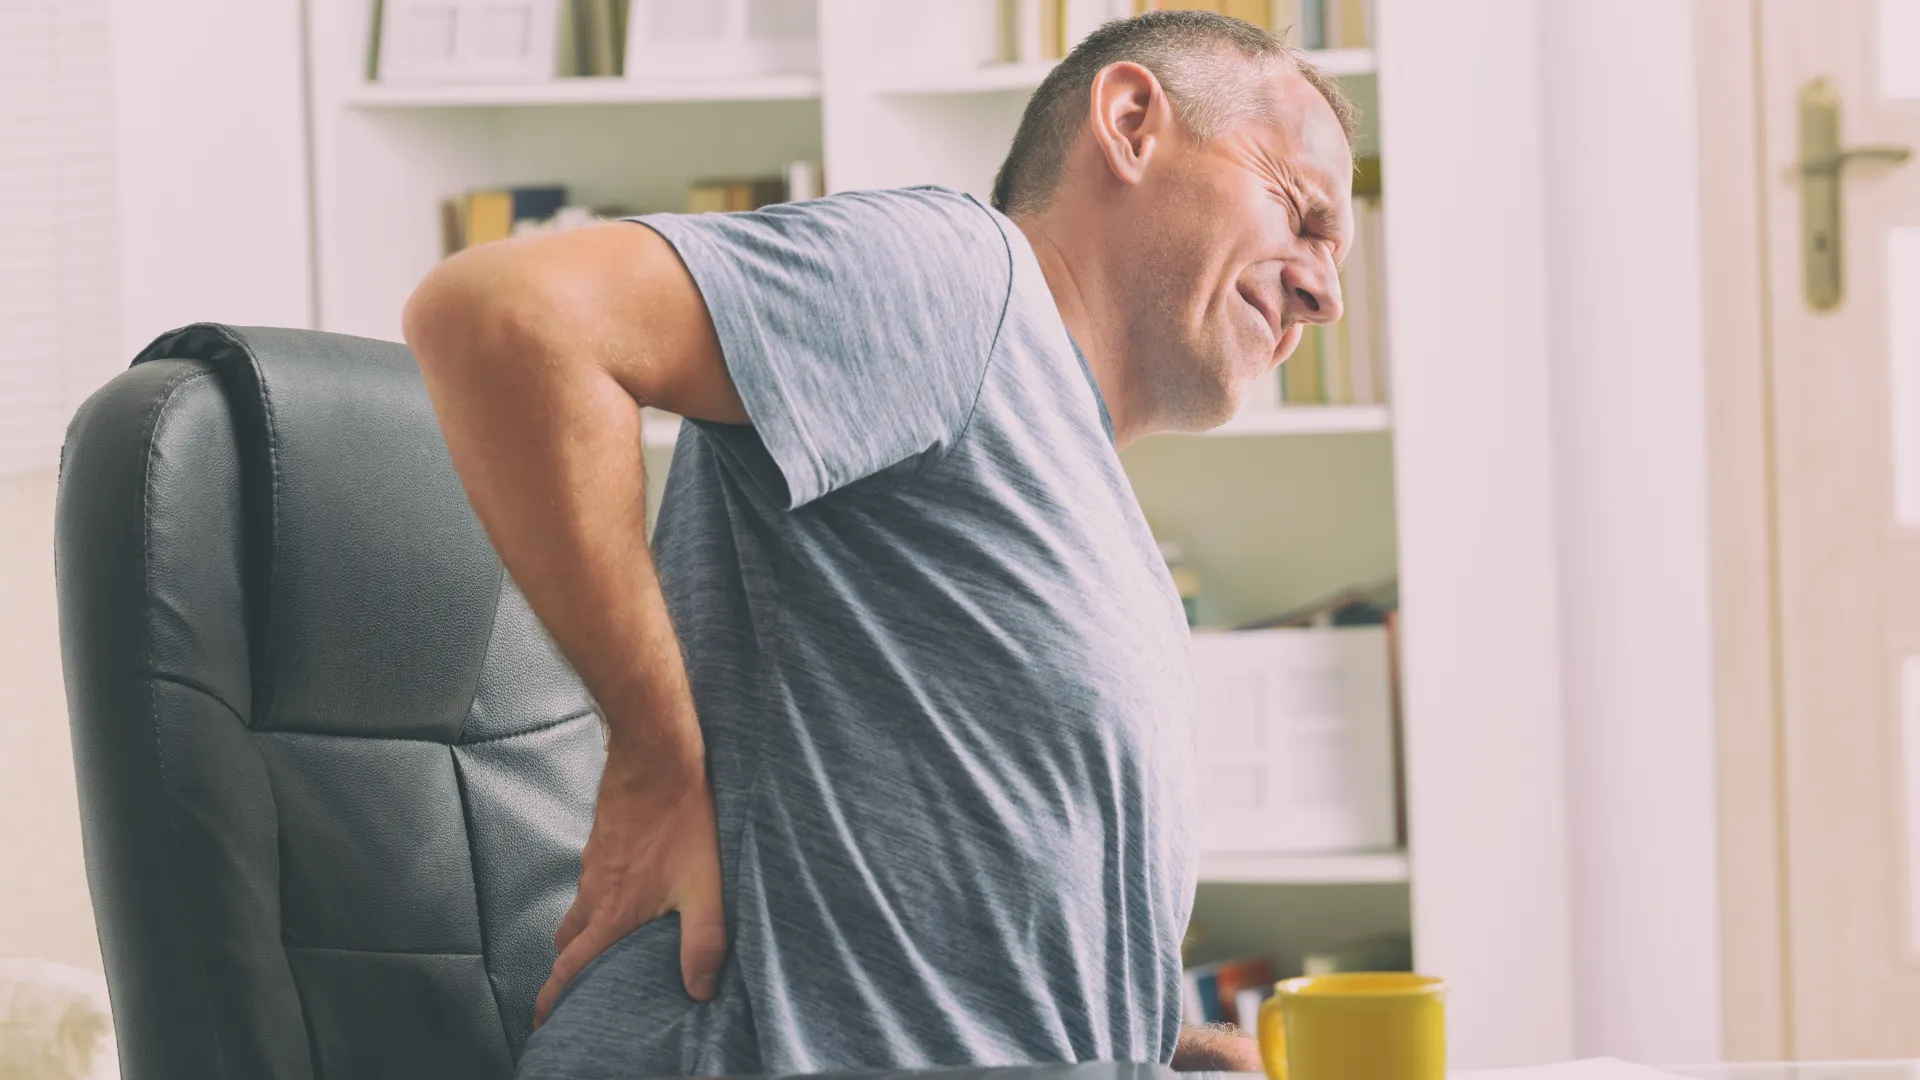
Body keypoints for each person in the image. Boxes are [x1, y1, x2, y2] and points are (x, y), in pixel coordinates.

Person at [402, 10, 1356, 1076]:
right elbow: (502, 314)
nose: (1327, 292)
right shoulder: (964, 282)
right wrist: (656, 764)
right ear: (1132, 122)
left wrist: (1145, 1048)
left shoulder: (1077, 478)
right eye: (1302, 212)